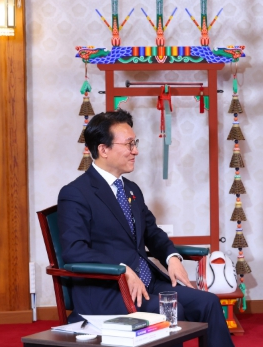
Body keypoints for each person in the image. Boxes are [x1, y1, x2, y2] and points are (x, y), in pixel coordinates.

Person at [58, 109, 234, 347]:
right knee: (172, 310)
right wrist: (121, 269)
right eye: (129, 144)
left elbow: (152, 232)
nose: (136, 151)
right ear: (103, 149)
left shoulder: (131, 190)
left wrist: (172, 257)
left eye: (135, 143)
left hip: (147, 283)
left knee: (209, 302)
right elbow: (74, 250)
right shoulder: (76, 193)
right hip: (107, 290)